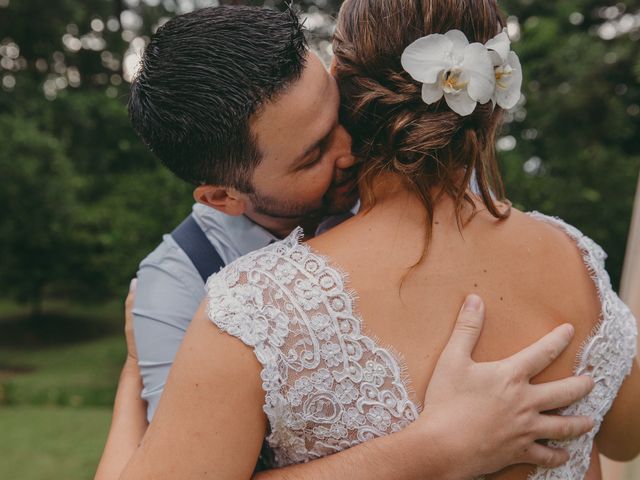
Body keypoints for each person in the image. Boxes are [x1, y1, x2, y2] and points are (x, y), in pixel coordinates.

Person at [95, 4, 619, 479]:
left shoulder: (431, 183)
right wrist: (437, 447)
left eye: (336, 106)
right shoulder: (183, 287)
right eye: (314, 153)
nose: (353, 146)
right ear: (223, 197)